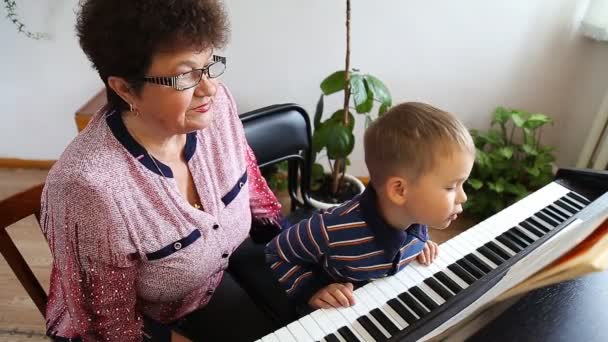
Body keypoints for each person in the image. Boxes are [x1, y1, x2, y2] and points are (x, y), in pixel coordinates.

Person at [40, 1, 293, 341]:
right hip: (151, 324)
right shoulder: (88, 189)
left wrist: (300, 261)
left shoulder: (216, 109)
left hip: (214, 283)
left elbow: (255, 196)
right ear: (126, 88)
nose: (209, 88)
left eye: (208, 65)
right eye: (186, 74)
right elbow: (108, 328)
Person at [265, 102, 475, 310]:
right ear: (400, 190)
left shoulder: (417, 215)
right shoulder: (332, 229)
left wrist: (420, 244)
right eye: (451, 187)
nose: (463, 197)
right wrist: (309, 290)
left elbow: (409, 238)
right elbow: (276, 252)